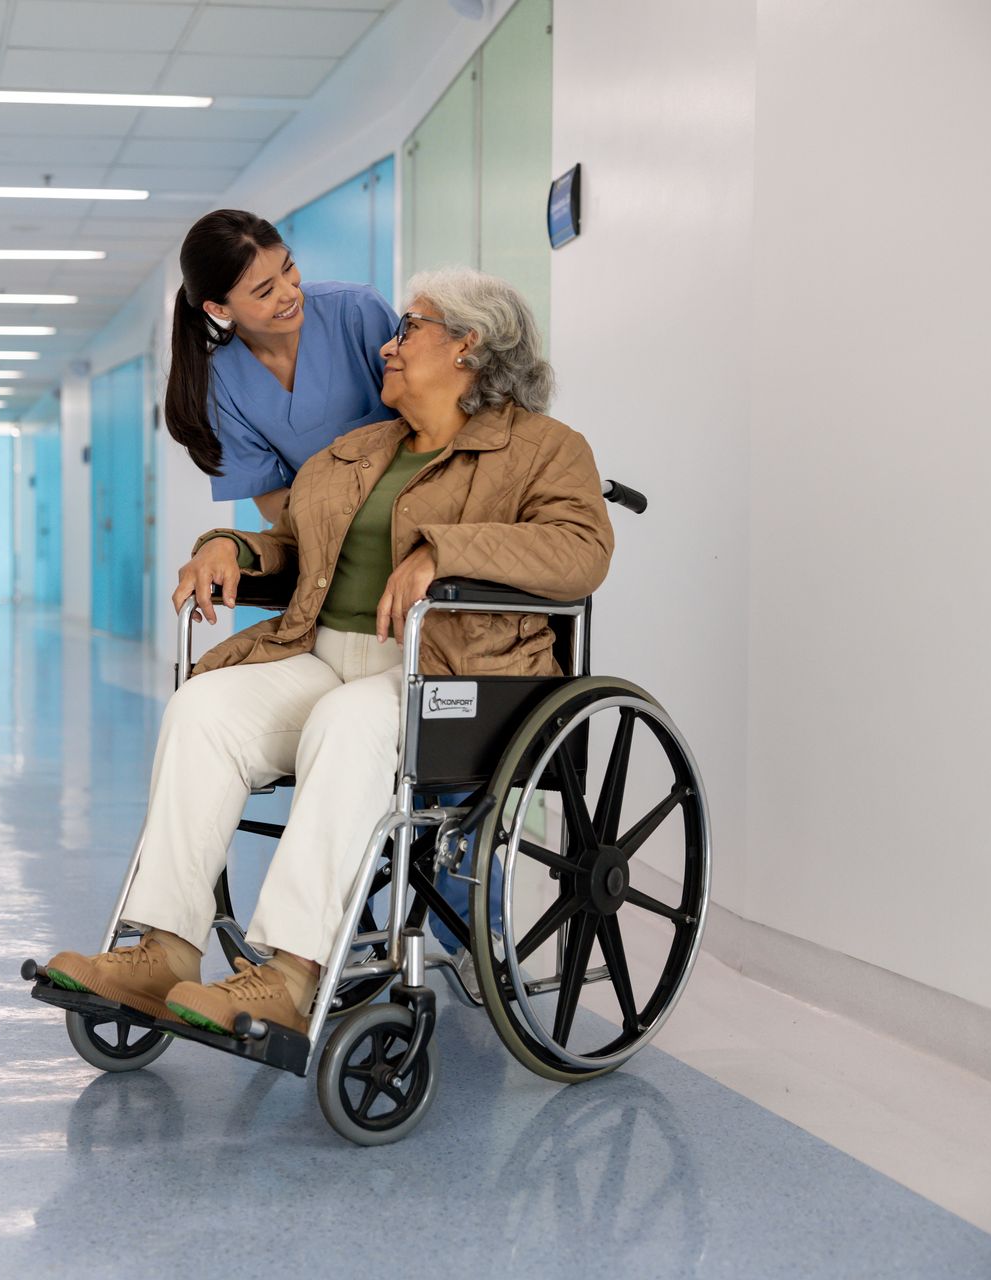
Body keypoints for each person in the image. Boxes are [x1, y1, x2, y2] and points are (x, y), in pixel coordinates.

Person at [42, 268, 613, 1035]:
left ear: (467, 345)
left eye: (410, 328)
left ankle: (290, 970)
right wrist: (227, 550)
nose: (388, 344)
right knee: (204, 706)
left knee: (350, 722)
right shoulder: (361, 450)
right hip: (326, 655)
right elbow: (292, 548)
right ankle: (164, 950)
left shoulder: (543, 450)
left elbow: (580, 551)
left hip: (454, 674)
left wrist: (443, 552)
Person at [166, 210, 400, 523]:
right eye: (265, 291)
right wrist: (339, 523)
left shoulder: (356, 311)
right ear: (218, 308)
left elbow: (434, 414)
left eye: (288, 268)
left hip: (416, 504)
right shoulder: (218, 384)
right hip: (327, 533)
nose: (290, 293)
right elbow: (268, 496)